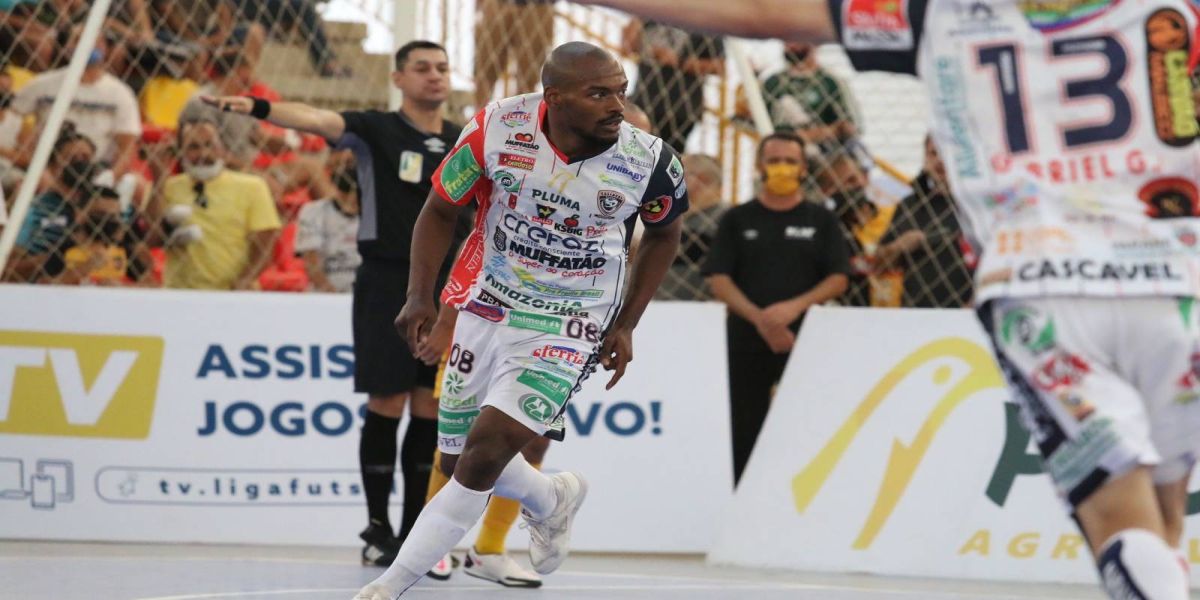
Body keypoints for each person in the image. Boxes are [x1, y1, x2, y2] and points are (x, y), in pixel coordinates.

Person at [581, 1, 1200, 598]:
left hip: (1039, 286)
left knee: (1124, 519)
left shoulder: (940, 13)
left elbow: (758, 11)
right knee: (1165, 509)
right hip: (1176, 276)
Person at [353, 40, 688, 600]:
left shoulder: (649, 160)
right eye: (599, 93)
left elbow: (665, 234)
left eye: (621, 92)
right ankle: (550, 497)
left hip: (573, 318)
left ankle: (388, 588)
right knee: (456, 456)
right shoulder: (495, 128)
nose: (617, 106)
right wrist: (421, 296)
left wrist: (627, 322)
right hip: (489, 303)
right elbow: (439, 209)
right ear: (553, 98)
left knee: (485, 454)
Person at [201, 41, 471, 566]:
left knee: (431, 406)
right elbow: (314, 118)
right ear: (398, 78)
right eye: (422, 68)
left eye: (442, 67)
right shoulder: (376, 129)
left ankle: (419, 533)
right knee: (385, 402)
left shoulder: (465, 140)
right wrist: (257, 107)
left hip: (449, 285)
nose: (434, 76)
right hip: (388, 278)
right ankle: (377, 526)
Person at [702, 131, 849, 484]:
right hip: (745, 340)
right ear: (759, 166)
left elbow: (839, 278)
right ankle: (741, 498)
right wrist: (761, 319)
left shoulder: (821, 220)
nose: (781, 167)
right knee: (744, 425)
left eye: (790, 161)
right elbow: (717, 277)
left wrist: (791, 310)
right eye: (774, 160)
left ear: (802, 169)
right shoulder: (737, 219)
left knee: (809, 421)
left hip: (806, 339)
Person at [153, 117, 280, 290]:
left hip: (233, 293)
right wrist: (158, 180)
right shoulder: (168, 187)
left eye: (210, 145)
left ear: (222, 149)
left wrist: (242, 282)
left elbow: (266, 243)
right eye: (193, 147)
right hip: (180, 293)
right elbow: (151, 238)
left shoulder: (252, 186)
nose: (203, 154)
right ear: (181, 151)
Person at [10, 36, 141, 177]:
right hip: (47, 164)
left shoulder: (120, 92)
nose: (89, 44)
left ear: (106, 49)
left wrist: (111, 176)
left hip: (98, 166)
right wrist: (33, 162)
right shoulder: (41, 84)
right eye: (78, 39)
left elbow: (128, 143)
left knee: (137, 187)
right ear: (68, 47)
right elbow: (11, 119)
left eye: (97, 42)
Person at [876, 136, 973, 308]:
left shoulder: (976, 205)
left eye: (947, 154)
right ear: (925, 159)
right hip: (917, 313)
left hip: (969, 310)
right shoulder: (911, 204)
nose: (939, 161)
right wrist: (898, 246)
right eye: (933, 154)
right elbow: (879, 264)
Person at [621, 19, 724, 152]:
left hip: (680, 110)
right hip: (644, 100)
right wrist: (640, 16)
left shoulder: (703, 20)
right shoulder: (651, 15)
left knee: (663, 160)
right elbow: (627, 48)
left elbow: (719, 67)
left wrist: (678, 61)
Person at [762, 41, 860, 159]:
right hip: (780, 155)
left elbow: (849, 127)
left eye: (796, 38)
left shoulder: (830, 82)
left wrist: (812, 135)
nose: (790, 43)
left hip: (825, 157)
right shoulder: (772, 82)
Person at [656, 153, 725, 300]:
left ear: (700, 179)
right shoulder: (675, 216)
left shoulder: (723, 217)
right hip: (662, 309)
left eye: (676, 173)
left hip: (701, 310)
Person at [294, 149, 360, 293]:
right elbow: (312, 265)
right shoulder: (314, 212)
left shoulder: (378, 214)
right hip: (327, 294)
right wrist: (335, 298)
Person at [473, 0, 555, 108]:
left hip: (539, 5)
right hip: (496, 4)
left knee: (528, 79)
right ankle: (478, 119)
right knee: (484, 71)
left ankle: (522, 120)